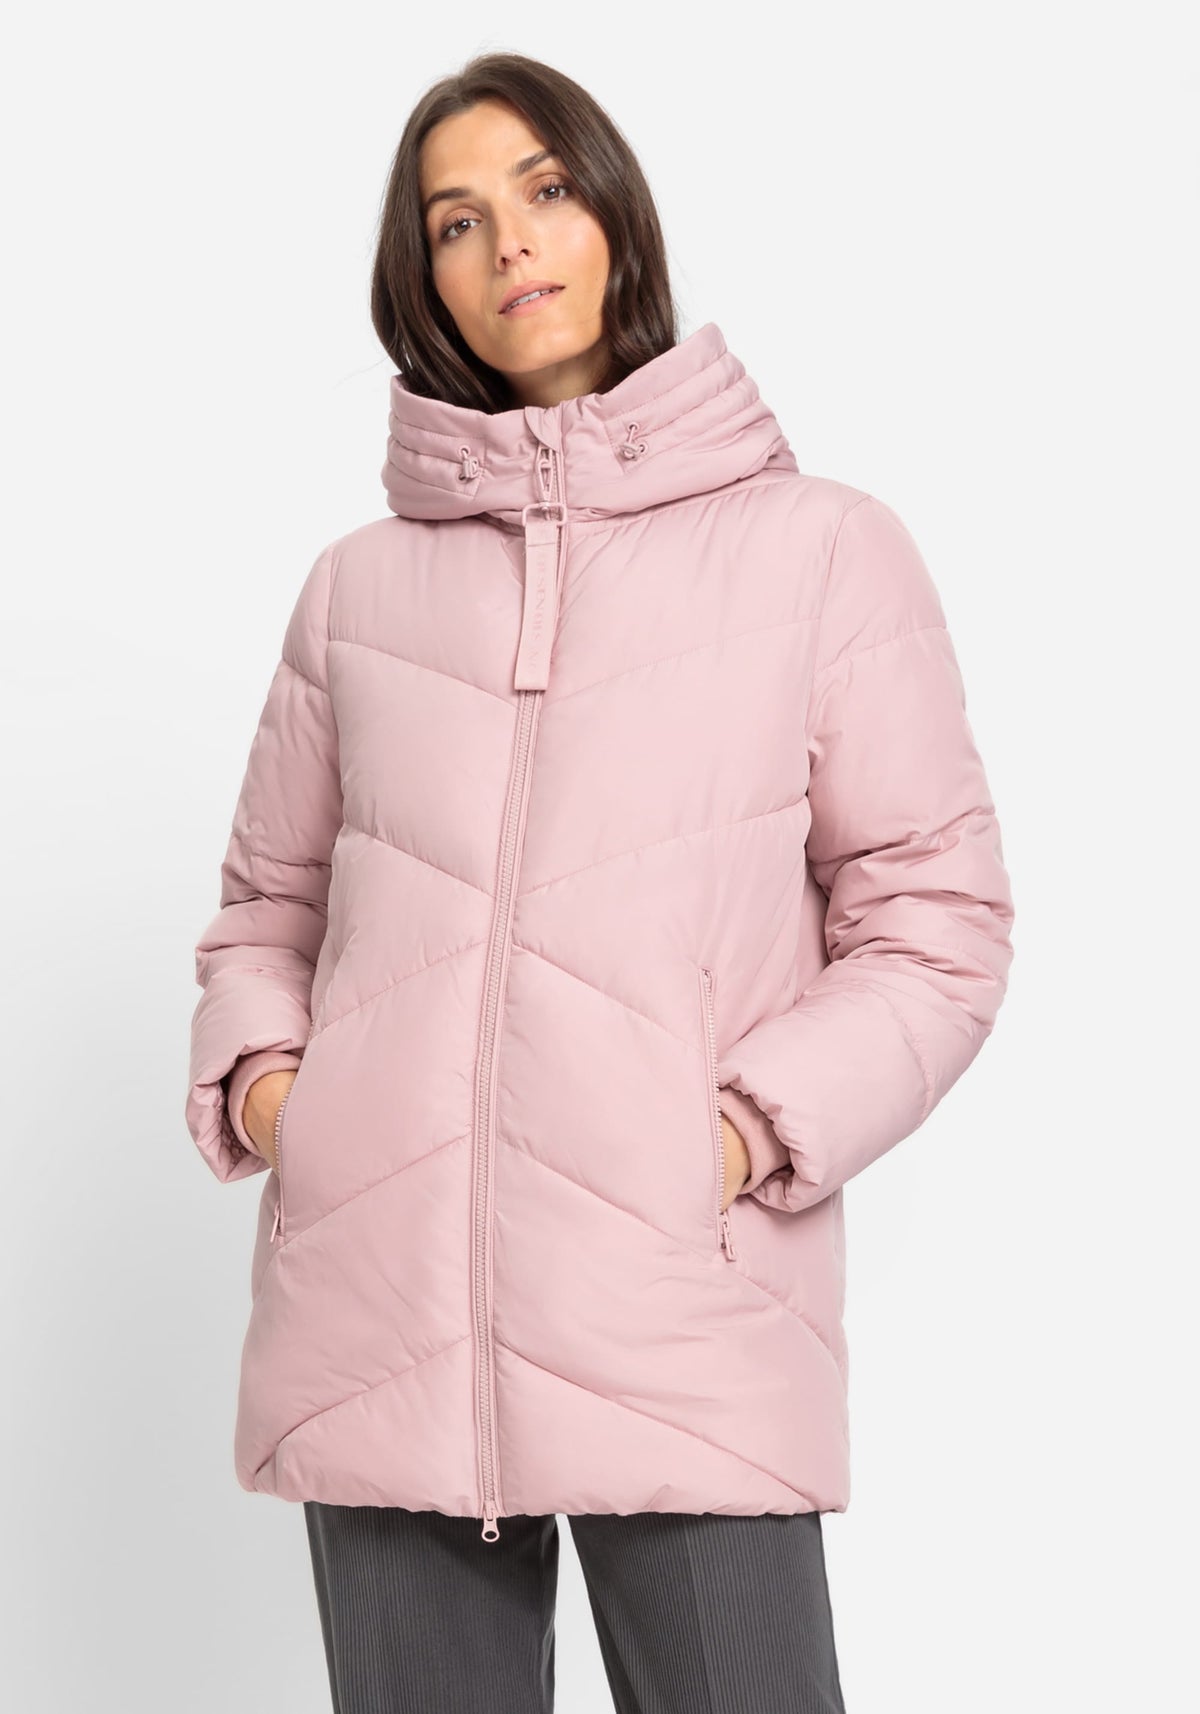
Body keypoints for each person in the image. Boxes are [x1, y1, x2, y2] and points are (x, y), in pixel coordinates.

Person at [185, 50, 1015, 1714]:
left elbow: (935, 923)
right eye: (455, 221)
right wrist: (286, 1097)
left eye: (546, 189)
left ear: (615, 213)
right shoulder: (357, 593)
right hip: (386, 1318)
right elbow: (266, 912)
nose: (510, 242)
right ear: (420, 280)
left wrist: (740, 1134)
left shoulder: (819, 550)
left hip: (682, 1312)